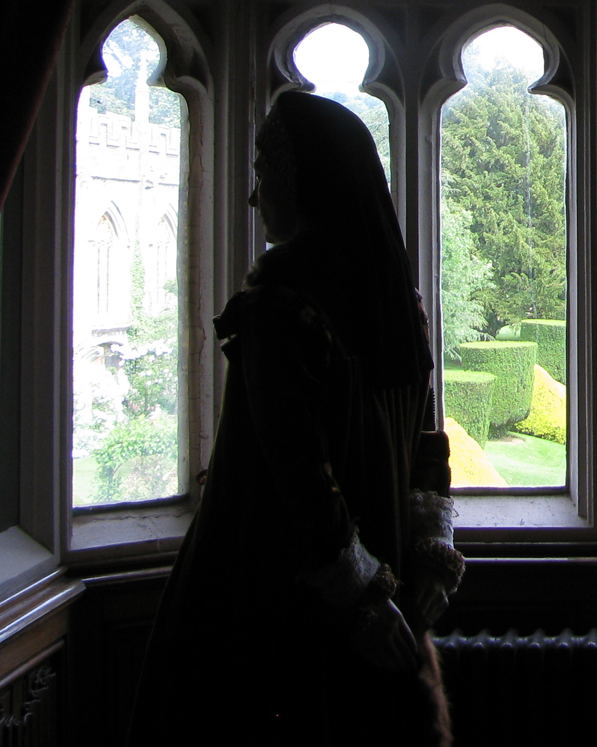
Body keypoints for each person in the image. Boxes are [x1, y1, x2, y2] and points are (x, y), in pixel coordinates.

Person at [130, 91, 461, 744]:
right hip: (391, 596)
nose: (255, 198)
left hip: (282, 611)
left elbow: (301, 484)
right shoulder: (400, 306)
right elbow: (426, 446)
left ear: (304, 179)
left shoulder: (280, 311)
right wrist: (427, 558)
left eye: (263, 174)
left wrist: (365, 598)